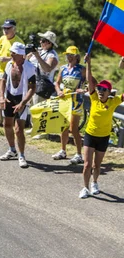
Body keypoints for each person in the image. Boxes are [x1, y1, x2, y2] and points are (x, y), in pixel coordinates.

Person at [79, 53, 123, 199]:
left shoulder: (113, 101)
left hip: (104, 137)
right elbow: (89, 79)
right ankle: (85, 188)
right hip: (90, 135)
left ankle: (95, 183)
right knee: (86, 164)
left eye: (104, 89)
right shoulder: (93, 98)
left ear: (109, 92)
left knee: (96, 166)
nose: (100, 91)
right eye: (99, 89)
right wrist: (88, 63)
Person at [0, 42, 36, 169]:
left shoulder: (29, 67)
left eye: (13, 53)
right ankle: (12, 150)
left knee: (19, 129)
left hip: (22, 98)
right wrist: (2, 97)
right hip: (10, 97)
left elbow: (32, 88)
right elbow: (3, 80)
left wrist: (23, 103)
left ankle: (22, 155)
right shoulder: (9, 64)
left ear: (20, 54)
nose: (11, 55)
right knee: (7, 124)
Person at [52, 46, 86, 164]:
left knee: (73, 128)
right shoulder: (63, 68)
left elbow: (91, 83)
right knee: (64, 126)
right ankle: (63, 150)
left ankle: (79, 154)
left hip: (76, 102)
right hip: (65, 101)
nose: (68, 57)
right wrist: (59, 91)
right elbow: (57, 82)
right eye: (67, 55)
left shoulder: (82, 69)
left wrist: (83, 89)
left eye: (71, 55)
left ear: (76, 56)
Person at [0, 19, 23, 127]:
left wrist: (6, 59)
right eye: (4, 28)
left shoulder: (18, 42)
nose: (5, 30)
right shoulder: (2, 38)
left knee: (4, 96)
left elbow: (22, 58)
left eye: (8, 28)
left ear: (14, 29)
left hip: (10, 72)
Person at [26, 31, 59, 105]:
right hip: (30, 84)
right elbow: (25, 59)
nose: (41, 42)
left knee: (36, 112)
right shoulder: (39, 50)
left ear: (50, 43)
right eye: (41, 39)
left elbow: (47, 69)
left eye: (43, 41)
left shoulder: (52, 55)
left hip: (40, 88)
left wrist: (37, 56)